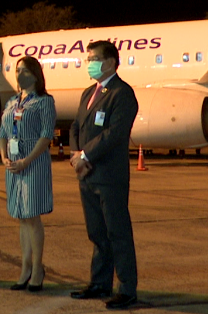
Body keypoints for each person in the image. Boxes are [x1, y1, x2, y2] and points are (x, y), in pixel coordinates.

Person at [69, 40, 140, 310]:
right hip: (87, 174)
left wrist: (85, 155)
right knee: (97, 232)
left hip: (109, 175)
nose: (89, 64)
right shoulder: (89, 92)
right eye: (88, 59)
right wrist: (76, 155)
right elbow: (76, 125)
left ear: (110, 62)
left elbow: (115, 133)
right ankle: (100, 282)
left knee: (117, 232)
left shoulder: (122, 93)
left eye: (94, 59)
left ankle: (127, 288)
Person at [0, 56, 56, 292]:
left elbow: (46, 134)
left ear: (36, 75)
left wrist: (27, 160)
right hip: (13, 163)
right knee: (21, 217)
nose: (20, 74)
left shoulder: (44, 101)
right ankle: (25, 267)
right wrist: (4, 157)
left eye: (25, 71)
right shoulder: (12, 101)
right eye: (18, 70)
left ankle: (37, 268)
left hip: (33, 162)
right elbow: (3, 132)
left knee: (32, 216)